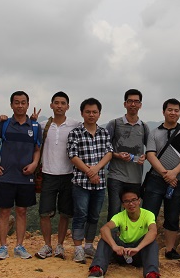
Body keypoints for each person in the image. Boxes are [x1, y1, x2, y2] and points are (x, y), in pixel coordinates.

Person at [0, 91, 42, 260]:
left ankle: (19, 246)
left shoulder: (35, 126)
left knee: (22, 211)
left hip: (26, 177)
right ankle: (3, 247)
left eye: (23, 102)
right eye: (16, 102)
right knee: (4, 212)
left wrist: (34, 164)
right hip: (6, 175)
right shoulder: (4, 124)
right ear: (11, 105)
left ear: (27, 104)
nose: (20, 105)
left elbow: (37, 149)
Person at [142, 98, 180, 260]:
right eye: (170, 110)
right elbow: (151, 154)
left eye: (176, 110)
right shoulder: (154, 133)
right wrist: (166, 174)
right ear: (164, 111)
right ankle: (145, 248)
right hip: (156, 179)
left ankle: (170, 250)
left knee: (172, 216)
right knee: (149, 215)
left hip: (177, 181)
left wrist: (174, 173)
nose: (173, 113)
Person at [68, 98, 113, 263]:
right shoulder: (75, 133)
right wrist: (89, 172)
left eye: (94, 112)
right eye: (88, 112)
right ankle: (78, 248)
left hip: (99, 183)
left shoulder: (104, 132)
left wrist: (96, 169)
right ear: (82, 113)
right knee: (80, 214)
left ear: (99, 114)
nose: (91, 115)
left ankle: (88, 245)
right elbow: (72, 155)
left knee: (94, 216)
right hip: (81, 182)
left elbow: (109, 153)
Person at [35, 91, 79, 260]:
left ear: (68, 106)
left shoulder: (75, 125)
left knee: (65, 213)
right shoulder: (42, 126)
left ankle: (60, 245)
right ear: (51, 105)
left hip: (68, 174)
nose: (59, 106)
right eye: (56, 103)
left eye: (63, 103)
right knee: (44, 212)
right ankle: (47, 245)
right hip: (48, 174)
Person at [87, 188, 160, 278]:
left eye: (133, 200)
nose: (131, 204)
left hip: (139, 253)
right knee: (108, 236)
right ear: (123, 204)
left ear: (139, 201)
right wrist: (115, 246)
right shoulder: (120, 216)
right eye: (127, 201)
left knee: (151, 241)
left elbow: (153, 231)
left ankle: (151, 273)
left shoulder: (148, 214)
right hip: (121, 252)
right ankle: (97, 269)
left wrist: (137, 248)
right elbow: (104, 229)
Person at [105, 89, 149, 221]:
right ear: (125, 104)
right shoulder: (114, 124)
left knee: (132, 213)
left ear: (140, 105)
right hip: (116, 176)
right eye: (130, 101)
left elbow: (151, 150)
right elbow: (104, 148)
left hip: (135, 178)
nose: (133, 104)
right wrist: (117, 155)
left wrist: (145, 157)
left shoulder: (143, 127)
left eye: (136, 101)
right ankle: (112, 234)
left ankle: (129, 235)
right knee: (114, 211)